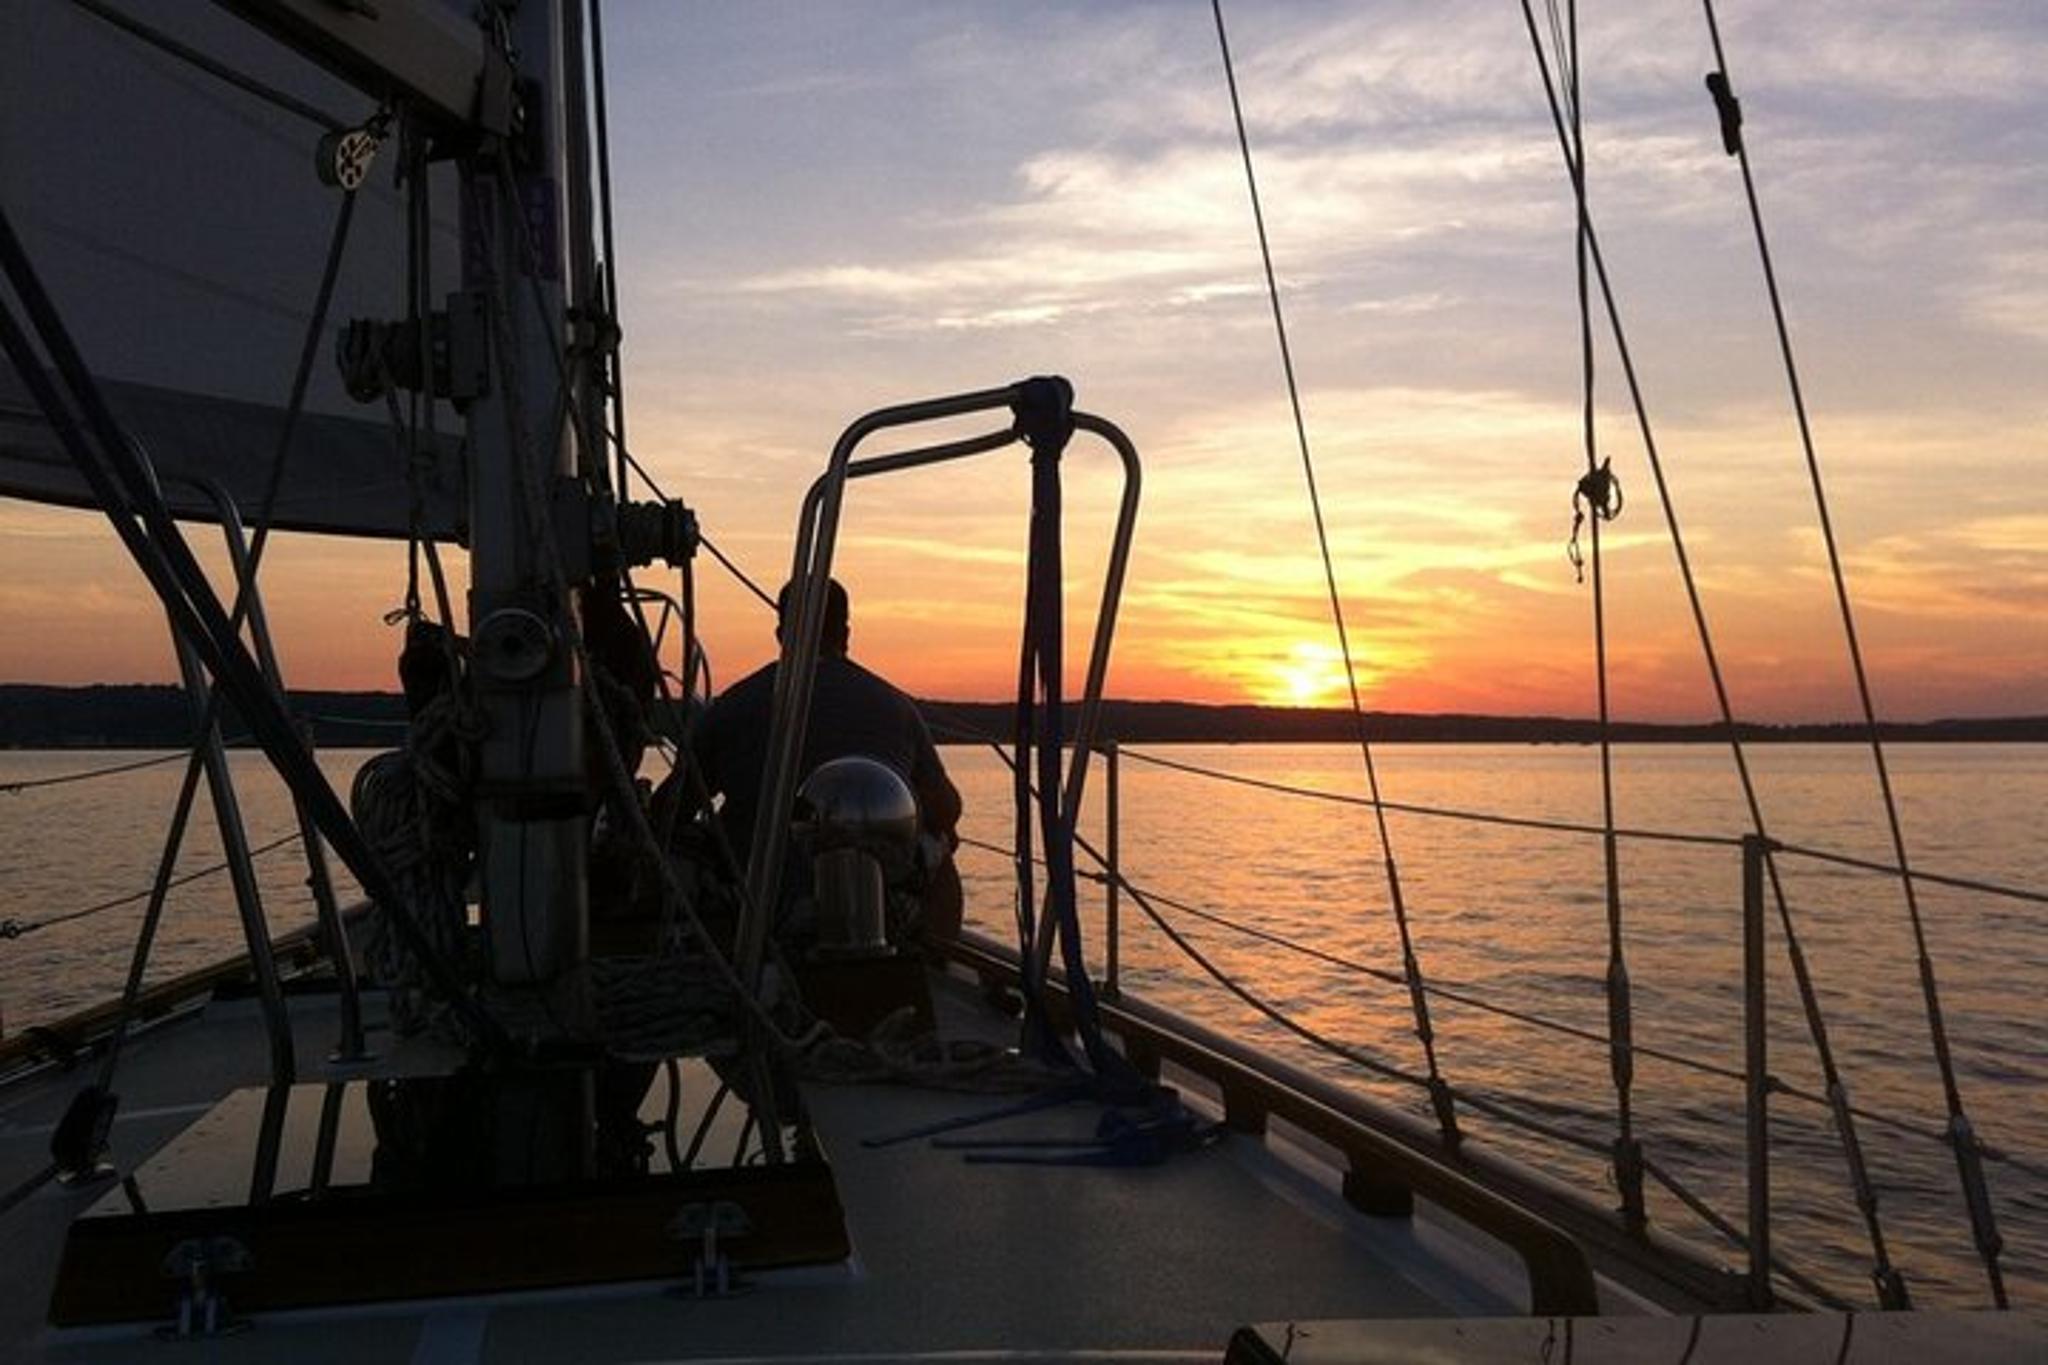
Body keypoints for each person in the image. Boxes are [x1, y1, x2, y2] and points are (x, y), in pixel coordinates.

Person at [688, 578, 963, 943]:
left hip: (760, 906)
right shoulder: (893, 705)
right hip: (878, 907)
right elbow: (947, 808)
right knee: (941, 840)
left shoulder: (732, 706)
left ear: (781, 632)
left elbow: (674, 808)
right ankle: (932, 960)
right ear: (845, 633)